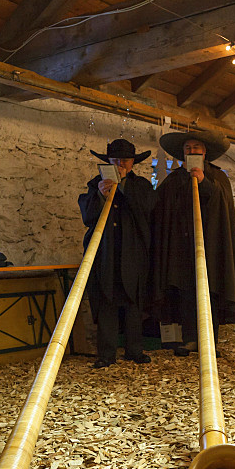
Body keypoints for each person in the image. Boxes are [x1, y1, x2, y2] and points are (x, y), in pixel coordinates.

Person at [150, 129, 235, 357]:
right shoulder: (173, 180)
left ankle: (209, 341)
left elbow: (220, 205)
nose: (192, 151)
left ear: (204, 152)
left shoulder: (217, 177)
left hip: (211, 248)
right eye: (188, 148)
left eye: (196, 148)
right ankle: (190, 339)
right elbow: (160, 209)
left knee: (209, 292)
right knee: (186, 293)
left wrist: (203, 182)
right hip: (181, 249)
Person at [78, 139, 157, 368]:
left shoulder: (140, 185)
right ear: (108, 162)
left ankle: (134, 349)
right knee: (106, 301)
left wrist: (122, 186)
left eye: (124, 160)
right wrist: (102, 195)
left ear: (132, 163)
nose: (120, 164)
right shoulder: (96, 185)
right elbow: (88, 216)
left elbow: (148, 206)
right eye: (115, 160)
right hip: (106, 254)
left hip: (133, 253)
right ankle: (106, 354)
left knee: (134, 302)